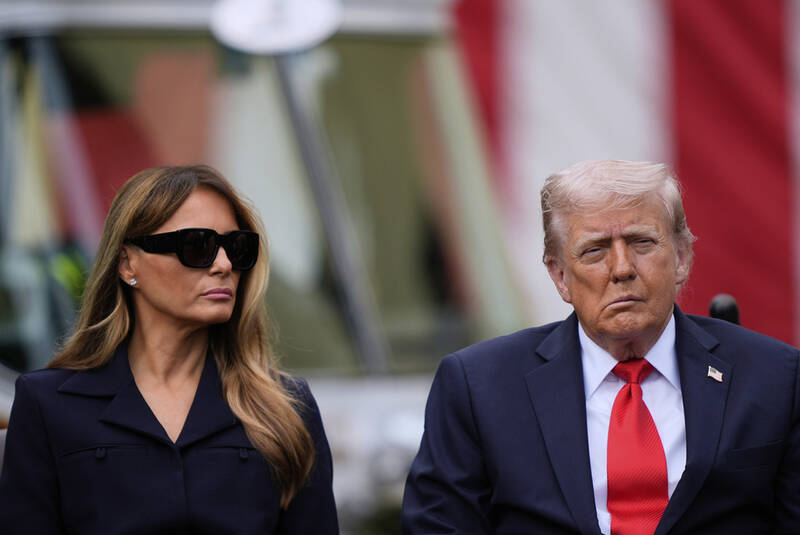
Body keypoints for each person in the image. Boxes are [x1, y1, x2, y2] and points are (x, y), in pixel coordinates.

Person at [402, 160, 800, 534]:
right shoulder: (479, 389)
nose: (622, 269)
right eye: (595, 250)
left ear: (681, 257)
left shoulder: (775, 378)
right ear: (560, 275)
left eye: (641, 242)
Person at [0, 165, 338, 534]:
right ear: (128, 263)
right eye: (198, 245)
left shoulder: (286, 408)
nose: (224, 265)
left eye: (237, 247)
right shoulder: (48, 405)